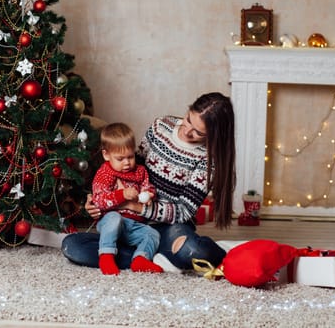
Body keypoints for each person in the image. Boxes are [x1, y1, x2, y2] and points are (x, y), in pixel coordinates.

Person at [62, 92, 235, 273]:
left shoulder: (209, 159)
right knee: (73, 246)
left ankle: (149, 254)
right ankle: (154, 258)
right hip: (131, 223)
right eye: (189, 119)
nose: (187, 131)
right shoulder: (161, 126)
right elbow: (133, 166)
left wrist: (134, 206)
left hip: (170, 227)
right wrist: (100, 201)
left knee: (194, 251)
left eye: (198, 132)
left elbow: (183, 211)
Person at [92, 122, 163, 275]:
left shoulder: (140, 171)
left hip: (133, 225)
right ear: (106, 155)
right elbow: (99, 200)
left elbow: (147, 186)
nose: (127, 163)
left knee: (153, 234)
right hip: (110, 221)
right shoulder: (105, 173)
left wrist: (149, 194)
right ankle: (106, 255)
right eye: (120, 158)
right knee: (114, 218)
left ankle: (140, 259)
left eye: (130, 157)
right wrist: (121, 194)